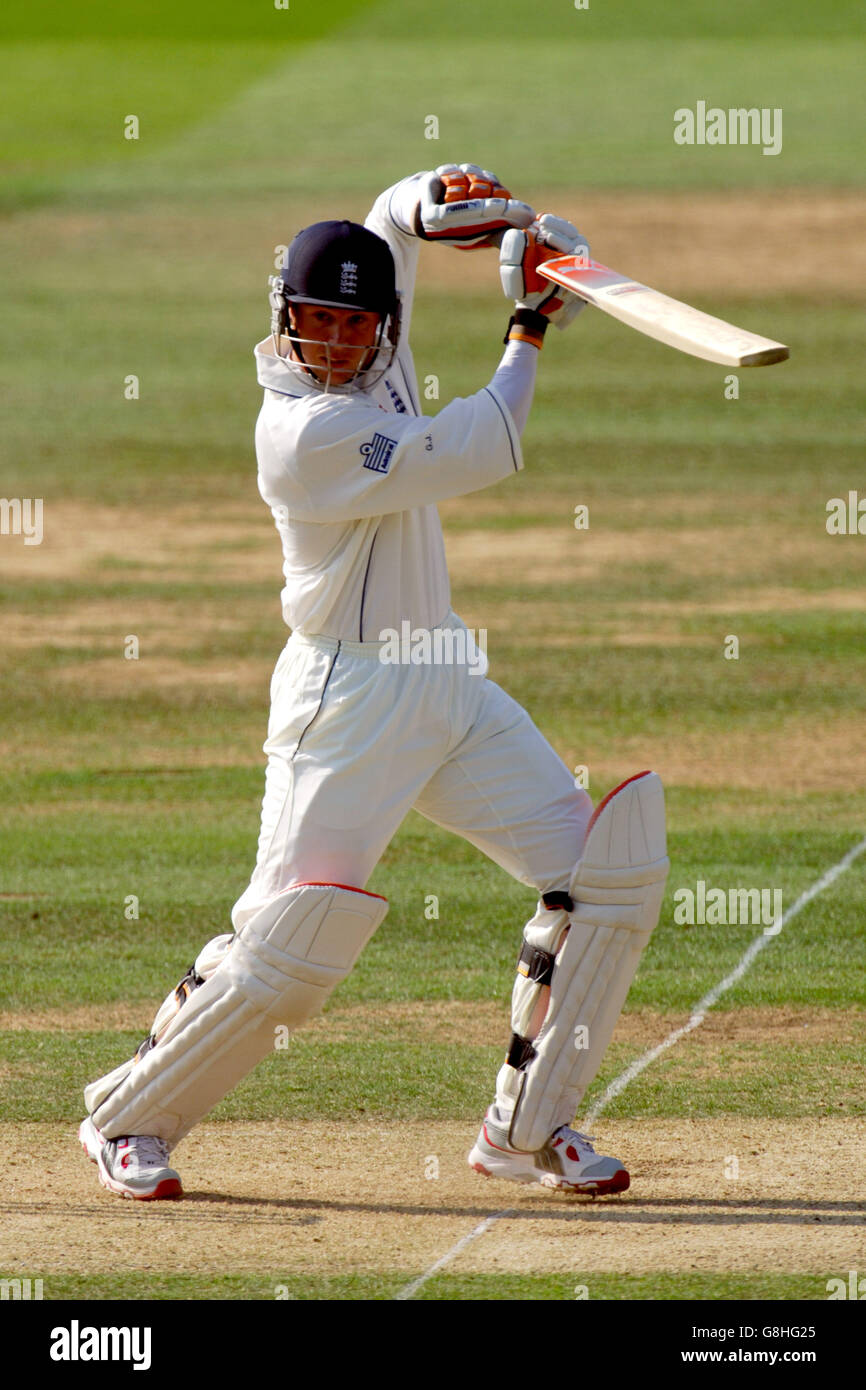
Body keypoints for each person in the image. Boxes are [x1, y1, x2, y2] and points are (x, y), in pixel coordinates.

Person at [78, 164, 669, 1202]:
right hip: (344, 704)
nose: (338, 346)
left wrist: (454, 203)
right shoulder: (304, 434)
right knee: (286, 946)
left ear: (383, 328)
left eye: (356, 328)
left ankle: (527, 1127)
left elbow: (391, 219)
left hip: (444, 676)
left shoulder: (376, 358)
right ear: (284, 322)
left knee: (607, 877)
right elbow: (481, 443)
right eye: (316, 325)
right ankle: (125, 1117)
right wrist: (530, 316)